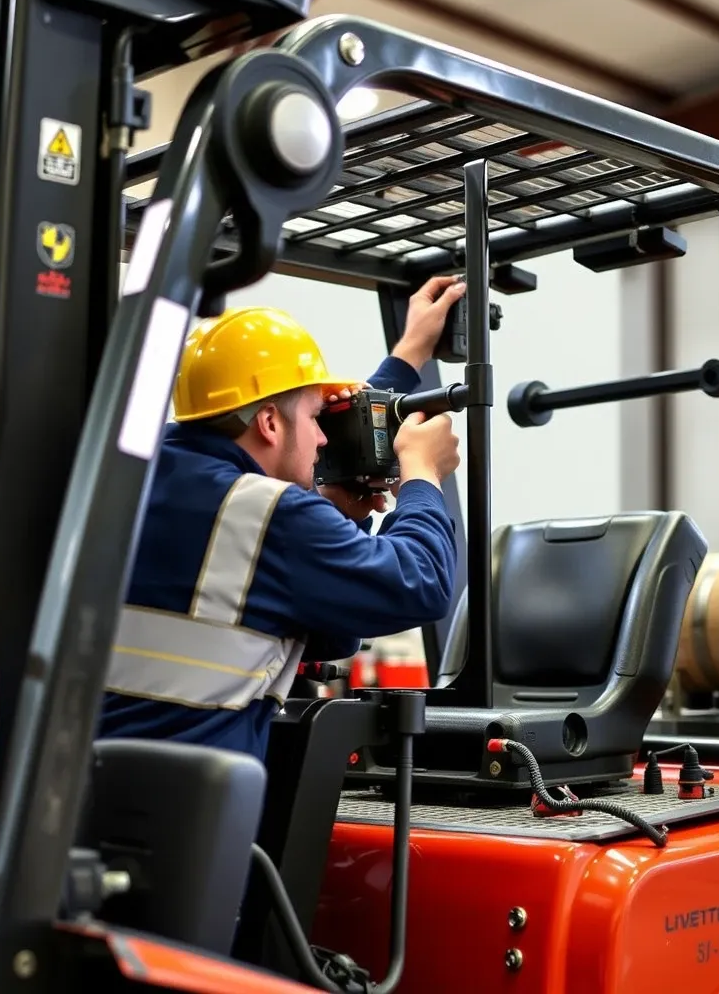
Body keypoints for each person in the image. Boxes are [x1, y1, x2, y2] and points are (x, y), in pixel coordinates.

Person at [97, 275, 466, 763]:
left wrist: (409, 354)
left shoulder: (136, 474)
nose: (323, 440)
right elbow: (422, 583)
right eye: (316, 419)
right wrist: (421, 475)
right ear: (269, 423)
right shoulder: (266, 513)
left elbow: (331, 632)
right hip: (190, 813)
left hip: (89, 792)